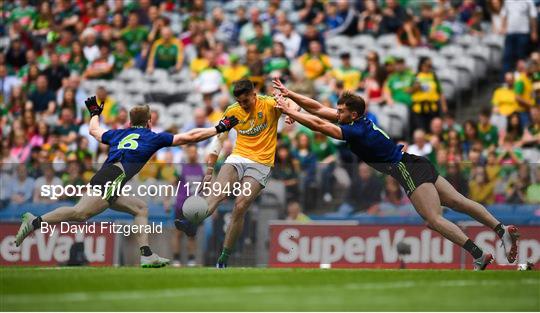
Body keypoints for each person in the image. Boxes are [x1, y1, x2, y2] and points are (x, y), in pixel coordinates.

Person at [272, 77, 519, 271]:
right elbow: (317, 109)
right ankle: (501, 230)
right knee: (458, 202)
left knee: (433, 219)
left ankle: (478, 255)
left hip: (405, 168)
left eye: (341, 111)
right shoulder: (357, 121)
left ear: (353, 115)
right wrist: (289, 94)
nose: (337, 113)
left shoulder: (355, 131)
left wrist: (290, 112)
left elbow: (318, 124)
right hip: (416, 162)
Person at [14, 96, 238, 268]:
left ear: (131, 122)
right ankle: (34, 222)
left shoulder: (118, 134)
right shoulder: (152, 137)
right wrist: (218, 127)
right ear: (149, 122)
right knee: (80, 213)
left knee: (140, 208)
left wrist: (94, 112)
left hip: (109, 175)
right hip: (114, 178)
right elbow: (189, 137)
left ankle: (146, 255)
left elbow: (94, 130)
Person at [174, 79, 294, 268]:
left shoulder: (269, 104)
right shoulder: (232, 111)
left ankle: (224, 256)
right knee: (217, 194)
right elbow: (219, 139)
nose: (243, 105)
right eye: (240, 102)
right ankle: (192, 224)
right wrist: (210, 169)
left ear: (254, 95)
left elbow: (294, 104)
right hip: (237, 157)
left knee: (240, 206)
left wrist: (292, 114)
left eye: (246, 101)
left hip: (261, 163)